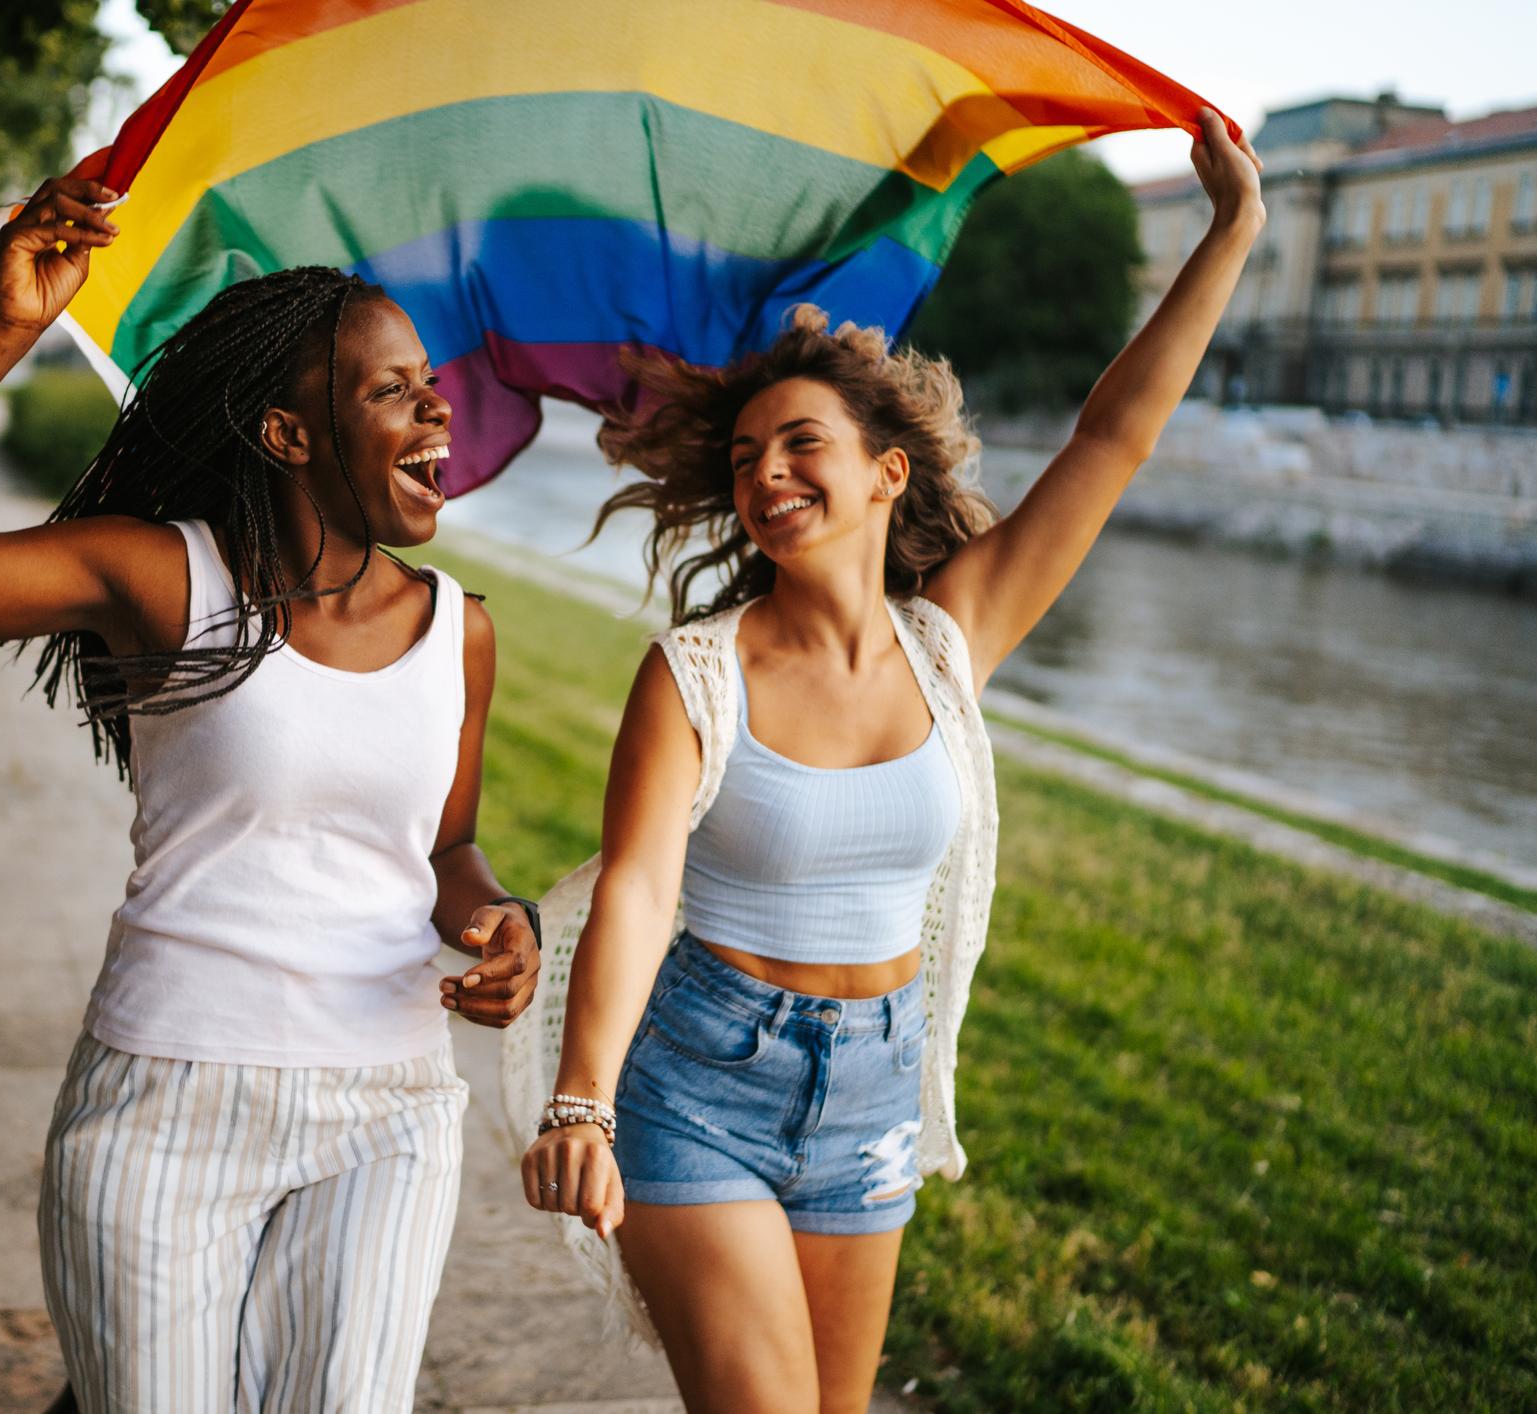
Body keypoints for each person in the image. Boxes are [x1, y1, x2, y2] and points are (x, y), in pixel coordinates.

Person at [515, 111, 1263, 1412]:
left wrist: (1231, 231)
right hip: (699, 1082)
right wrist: (582, 1098)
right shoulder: (695, 672)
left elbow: (1109, 442)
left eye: (801, 443)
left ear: (884, 473)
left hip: (872, 1086)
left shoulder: (948, 640)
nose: (767, 473)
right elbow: (637, 889)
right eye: (746, 458)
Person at [0, 174, 542, 1412]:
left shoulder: (459, 629)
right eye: (390, 388)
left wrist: (494, 918)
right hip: (169, 1097)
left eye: (428, 380)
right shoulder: (163, 577)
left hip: (388, 1106)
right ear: (291, 435)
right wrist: (6, 331)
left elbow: (446, 845)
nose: (435, 406)